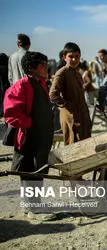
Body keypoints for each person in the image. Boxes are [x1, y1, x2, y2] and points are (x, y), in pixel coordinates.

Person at [4, 51, 55, 219]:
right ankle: (32, 209)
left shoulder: (41, 83)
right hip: (29, 138)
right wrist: (29, 124)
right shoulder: (20, 86)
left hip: (41, 139)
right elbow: (10, 114)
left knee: (38, 170)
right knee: (29, 171)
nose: (46, 67)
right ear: (31, 68)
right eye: (42, 65)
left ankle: (34, 204)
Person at [49, 42, 91, 145]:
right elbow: (53, 95)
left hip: (81, 114)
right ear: (64, 57)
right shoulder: (61, 73)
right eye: (70, 56)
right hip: (70, 116)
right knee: (72, 144)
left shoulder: (77, 73)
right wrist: (68, 105)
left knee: (84, 143)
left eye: (77, 57)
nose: (74, 59)